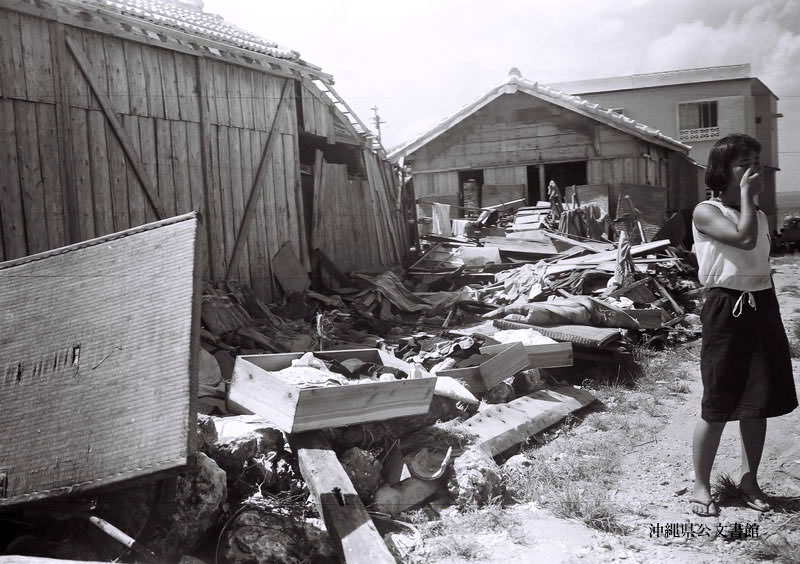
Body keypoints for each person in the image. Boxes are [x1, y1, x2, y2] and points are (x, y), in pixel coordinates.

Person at [690, 133, 798, 517]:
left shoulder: (761, 214)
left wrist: (752, 202)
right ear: (722, 170)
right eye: (744, 163)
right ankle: (701, 485)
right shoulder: (707, 211)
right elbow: (744, 239)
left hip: (761, 304)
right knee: (719, 400)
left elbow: (757, 253)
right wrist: (750, 199)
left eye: (757, 160)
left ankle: (750, 480)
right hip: (725, 307)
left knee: (759, 399)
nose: (755, 169)